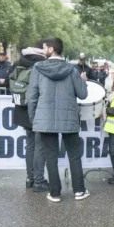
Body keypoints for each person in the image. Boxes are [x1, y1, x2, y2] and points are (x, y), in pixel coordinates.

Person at [28, 38, 89, 202]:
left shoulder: (37, 68)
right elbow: (83, 94)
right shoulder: (72, 69)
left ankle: (55, 193)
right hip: (69, 118)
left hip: (45, 119)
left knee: (50, 155)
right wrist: (83, 83)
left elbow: (32, 96)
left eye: (44, 47)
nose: (42, 50)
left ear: (51, 48)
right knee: (74, 155)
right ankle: (79, 191)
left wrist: (35, 119)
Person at [8, 44, 47, 191]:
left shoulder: (18, 63)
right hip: (37, 110)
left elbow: (9, 83)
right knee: (40, 146)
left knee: (30, 145)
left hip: (22, 110)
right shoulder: (40, 65)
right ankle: (39, 180)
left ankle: (29, 178)